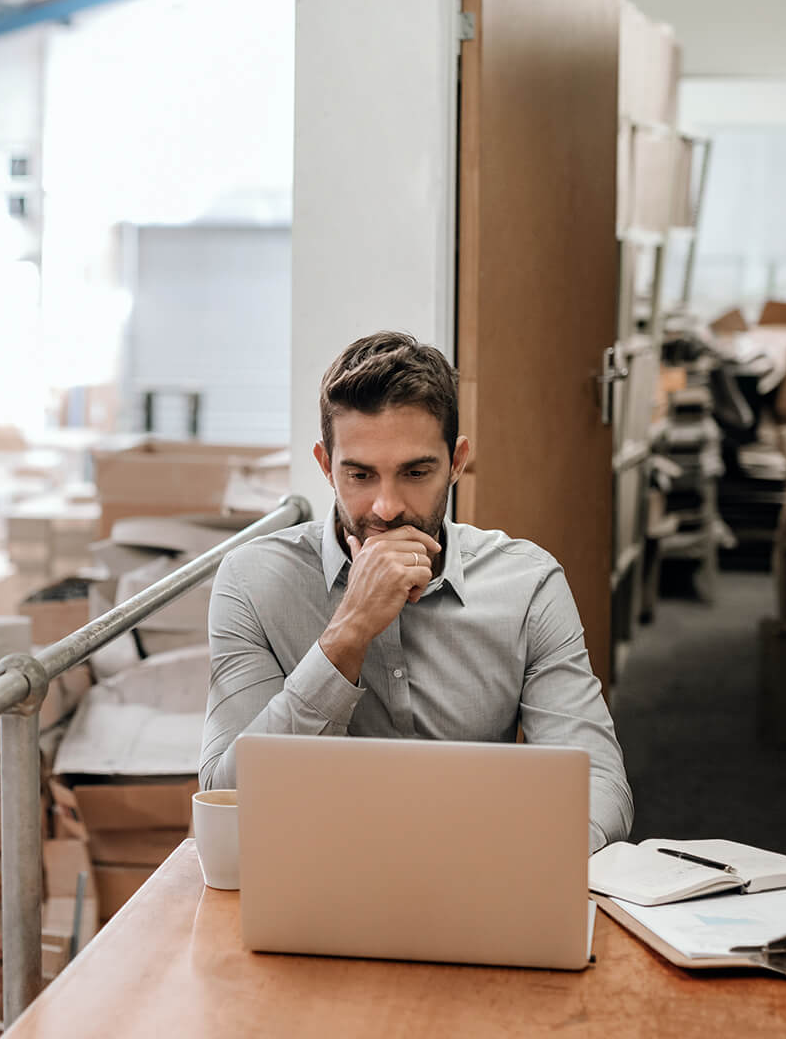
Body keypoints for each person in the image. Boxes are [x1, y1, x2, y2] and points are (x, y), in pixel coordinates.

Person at [198, 331, 633, 852]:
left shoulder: (528, 584)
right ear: (324, 466)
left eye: (416, 472)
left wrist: (514, 861)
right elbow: (230, 803)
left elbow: (599, 788)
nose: (386, 507)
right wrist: (348, 633)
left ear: (456, 462)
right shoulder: (251, 582)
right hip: (316, 878)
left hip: (484, 876)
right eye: (359, 474)